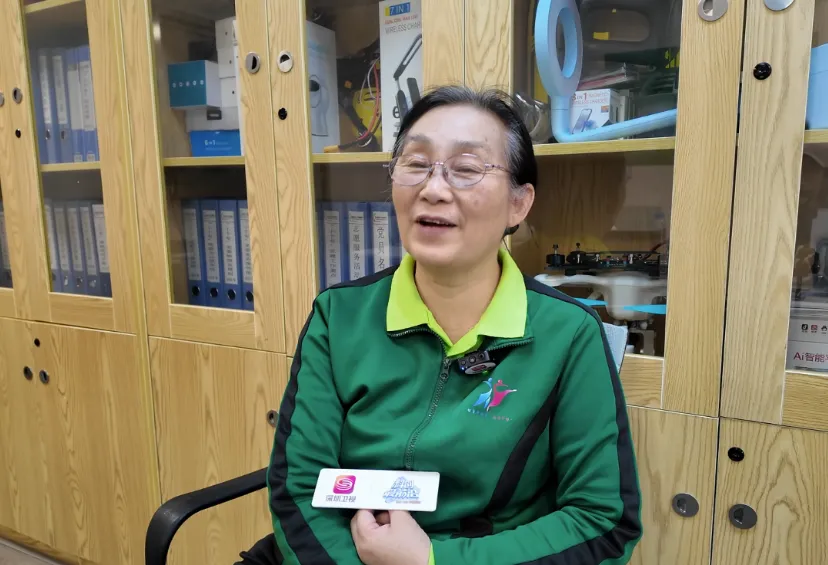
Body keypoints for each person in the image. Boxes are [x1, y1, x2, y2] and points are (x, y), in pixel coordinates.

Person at [242, 85, 642, 565]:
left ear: (518, 204)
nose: (432, 190)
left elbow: (602, 522)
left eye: (467, 169)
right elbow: (298, 487)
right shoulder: (339, 315)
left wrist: (431, 560)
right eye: (415, 164)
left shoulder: (568, 332)